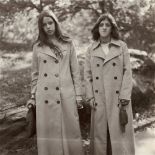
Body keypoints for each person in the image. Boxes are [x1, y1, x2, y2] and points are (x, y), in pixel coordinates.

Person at [27, 10, 84, 155]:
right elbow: (35, 74)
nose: (48, 27)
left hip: (65, 94)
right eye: (44, 24)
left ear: (55, 23)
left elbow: (75, 72)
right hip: (45, 96)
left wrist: (78, 95)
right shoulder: (37, 46)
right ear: (41, 27)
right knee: (49, 136)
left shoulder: (68, 43)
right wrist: (33, 96)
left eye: (50, 23)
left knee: (71, 132)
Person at [84, 13, 135, 155]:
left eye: (108, 25)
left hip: (119, 99)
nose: (104, 27)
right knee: (102, 136)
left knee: (119, 137)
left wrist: (125, 95)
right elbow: (87, 76)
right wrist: (90, 97)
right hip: (99, 99)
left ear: (112, 28)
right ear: (97, 28)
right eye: (101, 25)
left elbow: (127, 72)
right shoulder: (91, 49)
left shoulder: (121, 46)